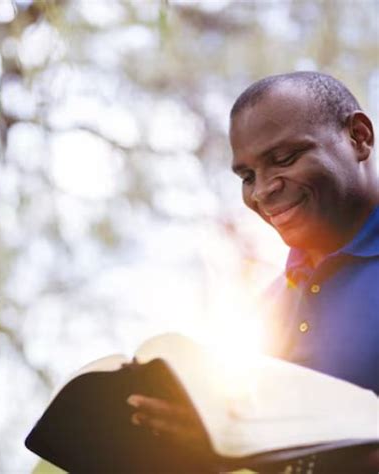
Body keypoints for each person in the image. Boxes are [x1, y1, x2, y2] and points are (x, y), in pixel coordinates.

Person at [126, 72, 379, 472]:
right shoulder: (265, 311)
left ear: (359, 137)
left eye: (284, 159)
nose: (261, 191)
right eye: (247, 177)